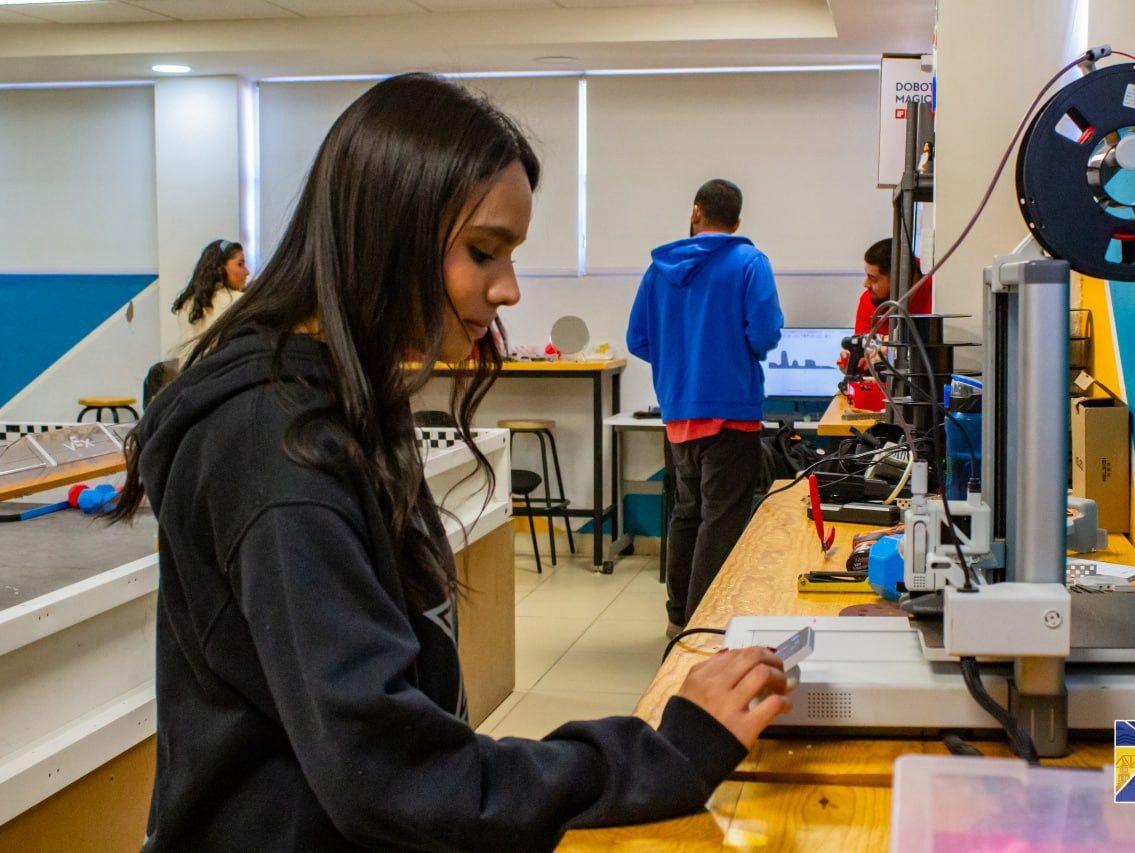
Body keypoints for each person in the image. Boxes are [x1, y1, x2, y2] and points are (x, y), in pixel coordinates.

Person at [108, 75, 791, 851]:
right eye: (482, 251)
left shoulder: (344, 400)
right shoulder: (276, 454)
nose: (507, 288)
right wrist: (663, 753)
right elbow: (396, 774)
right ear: (386, 231)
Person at [626, 179, 784, 638]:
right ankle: (704, 623)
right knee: (723, 515)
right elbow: (765, 336)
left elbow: (638, 338)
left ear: (696, 212)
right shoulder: (750, 262)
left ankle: (679, 615)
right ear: (737, 222)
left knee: (687, 512)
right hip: (732, 413)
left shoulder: (659, 269)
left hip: (678, 414)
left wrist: (682, 360)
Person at [844, 238, 932, 373]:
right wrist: (852, 364)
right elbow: (865, 360)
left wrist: (895, 344)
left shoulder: (936, 293)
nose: (865, 284)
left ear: (899, 278)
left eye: (873, 278)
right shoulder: (869, 300)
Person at [171, 238, 250, 354]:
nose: (247, 271)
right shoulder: (238, 301)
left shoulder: (185, 303)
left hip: (187, 370)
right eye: (240, 264)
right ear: (220, 267)